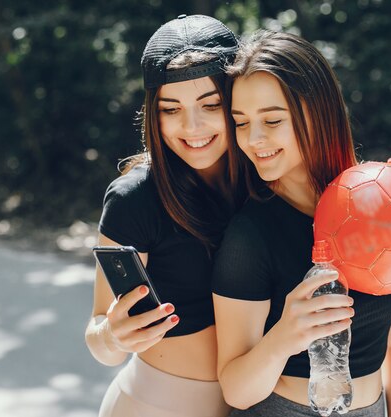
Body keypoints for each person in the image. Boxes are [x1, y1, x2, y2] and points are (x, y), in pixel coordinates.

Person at [212, 30, 391, 417]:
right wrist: (284, 337)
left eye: (272, 120)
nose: (253, 139)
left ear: (319, 111)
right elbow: (236, 390)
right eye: (241, 122)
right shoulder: (251, 234)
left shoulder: (381, 200)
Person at [83, 15, 244, 417]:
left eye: (211, 104)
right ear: (153, 115)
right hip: (157, 405)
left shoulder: (266, 181)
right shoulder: (135, 197)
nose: (192, 127)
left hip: (259, 402)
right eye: (171, 109)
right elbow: (99, 334)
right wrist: (113, 336)